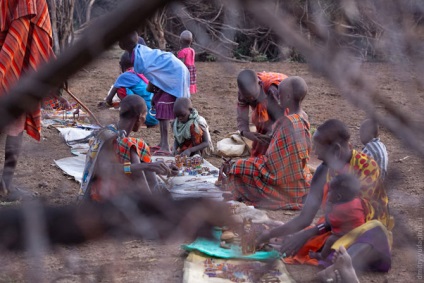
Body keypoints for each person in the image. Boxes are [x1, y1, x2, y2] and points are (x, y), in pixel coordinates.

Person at [257, 119, 393, 278]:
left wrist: (312, 232)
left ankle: (337, 270)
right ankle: (338, 265)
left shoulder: (366, 166)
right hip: (336, 228)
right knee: (297, 243)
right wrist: (269, 234)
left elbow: (356, 215)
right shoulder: (323, 171)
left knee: (371, 235)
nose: (314, 152)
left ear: (335, 149)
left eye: (318, 147)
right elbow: (305, 217)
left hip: (366, 231)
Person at [227, 76, 311, 210]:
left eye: (280, 95)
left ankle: (279, 195)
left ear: (288, 97)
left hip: (283, 182)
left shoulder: (288, 123)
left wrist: (247, 163)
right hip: (298, 175)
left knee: (237, 168)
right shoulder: (302, 117)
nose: (278, 98)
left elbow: (272, 167)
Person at [0, 0, 56, 200]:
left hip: (13, 61)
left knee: (17, 119)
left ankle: (5, 184)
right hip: (13, 62)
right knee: (17, 118)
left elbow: (34, 31)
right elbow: (24, 29)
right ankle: (5, 185)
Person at [80, 95, 172, 201]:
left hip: (102, 190)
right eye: (145, 114)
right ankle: (150, 203)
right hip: (97, 197)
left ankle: (153, 201)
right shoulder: (112, 137)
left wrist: (161, 167)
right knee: (136, 146)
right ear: (139, 117)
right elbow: (104, 169)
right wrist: (145, 166)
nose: (145, 118)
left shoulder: (115, 133)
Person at [119, 31, 190, 155]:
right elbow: (155, 74)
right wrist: (153, 93)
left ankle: (166, 146)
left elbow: (153, 74)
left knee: (163, 109)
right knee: (159, 106)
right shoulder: (139, 52)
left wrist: (150, 90)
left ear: (123, 44)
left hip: (174, 74)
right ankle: (163, 143)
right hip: (169, 73)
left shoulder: (139, 58)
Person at [309, 174, 365, 261]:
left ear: (338, 197)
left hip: (348, 235)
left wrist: (328, 209)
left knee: (330, 240)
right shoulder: (357, 201)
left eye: (330, 191)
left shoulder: (340, 209)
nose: (327, 193)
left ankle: (322, 256)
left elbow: (330, 222)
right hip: (360, 232)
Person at [236, 69, 288, 157]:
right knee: (261, 135)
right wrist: (246, 132)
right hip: (265, 99)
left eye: (253, 96)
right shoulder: (242, 94)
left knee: (277, 134)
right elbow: (241, 116)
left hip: (280, 99)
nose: (251, 99)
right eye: (248, 98)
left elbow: (281, 117)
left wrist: (272, 133)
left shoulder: (274, 90)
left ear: (259, 85)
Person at [105, 52, 158, 127]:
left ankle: (137, 120)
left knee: (121, 90)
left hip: (147, 117)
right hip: (157, 116)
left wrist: (107, 104)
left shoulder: (124, 76)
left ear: (121, 65)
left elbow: (109, 99)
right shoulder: (142, 73)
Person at [177, 30, 197, 94]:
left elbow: (180, 64)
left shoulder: (182, 52)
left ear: (180, 41)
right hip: (192, 70)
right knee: (189, 86)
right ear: (191, 41)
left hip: (185, 70)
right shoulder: (192, 50)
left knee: (183, 86)